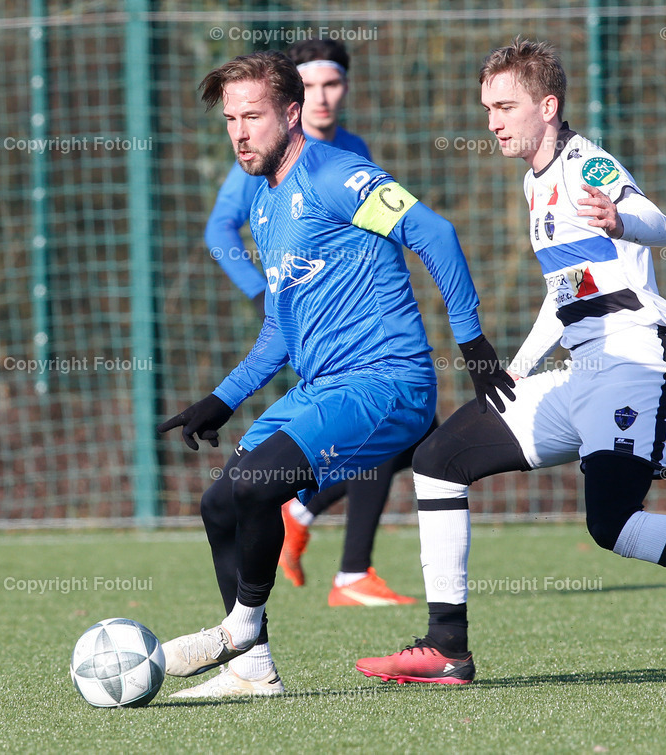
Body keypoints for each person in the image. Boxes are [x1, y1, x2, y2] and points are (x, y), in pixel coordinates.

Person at [356, 38, 666, 685]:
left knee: (612, 521)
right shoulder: (533, 183)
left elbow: (660, 222)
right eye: (487, 107)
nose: (492, 120)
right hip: (579, 371)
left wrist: (620, 219)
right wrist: (518, 366)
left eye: (505, 106)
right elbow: (567, 293)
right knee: (440, 460)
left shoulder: (587, 166)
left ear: (547, 106)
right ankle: (447, 648)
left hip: (635, 357)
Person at [158, 50, 514, 698]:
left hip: (388, 382)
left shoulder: (334, 175)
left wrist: (472, 342)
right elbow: (280, 331)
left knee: (259, 486)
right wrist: (222, 398)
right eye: (231, 119)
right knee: (220, 504)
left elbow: (433, 231)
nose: (240, 131)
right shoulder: (264, 206)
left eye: (253, 116)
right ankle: (252, 666)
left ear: (290, 114)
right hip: (323, 386)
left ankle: (238, 629)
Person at [203, 39, 433, 606]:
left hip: (365, 352)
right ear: (290, 100)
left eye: (332, 84)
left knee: (406, 433)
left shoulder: (349, 154)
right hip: (298, 337)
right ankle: (331, 559)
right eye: (311, 85)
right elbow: (219, 232)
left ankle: (337, 554)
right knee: (262, 478)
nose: (322, 96)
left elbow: (416, 233)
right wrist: (265, 293)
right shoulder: (257, 161)